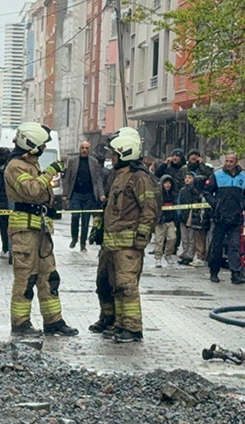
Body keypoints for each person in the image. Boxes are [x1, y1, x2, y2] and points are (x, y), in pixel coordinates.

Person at [5, 122, 79, 337]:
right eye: (41, 145)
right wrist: (50, 172)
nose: (44, 149)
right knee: (26, 278)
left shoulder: (30, 163)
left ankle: (54, 322)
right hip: (24, 232)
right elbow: (31, 190)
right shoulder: (15, 166)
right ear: (31, 145)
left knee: (49, 276)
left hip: (39, 229)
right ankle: (20, 324)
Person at [87, 129, 159, 342]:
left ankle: (132, 328)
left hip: (128, 245)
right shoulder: (118, 177)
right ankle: (116, 322)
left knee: (126, 287)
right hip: (111, 244)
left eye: (115, 155)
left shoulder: (139, 178)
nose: (112, 158)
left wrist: (141, 238)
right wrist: (98, 229)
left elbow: (149, 209)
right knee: (107, 284)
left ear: (125, 154)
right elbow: (108, 207)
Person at [204, 153, 245, 284]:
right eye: (226, 161)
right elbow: (207, 191)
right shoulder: (217, 175)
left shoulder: (244, 177)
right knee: (217, 246)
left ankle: (235, 274)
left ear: (236, 162)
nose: (228, 163)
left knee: (234, 247)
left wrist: (241, 206)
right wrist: (215, 204)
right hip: (220, 217)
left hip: (235, 218)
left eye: (231, 161)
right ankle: (214, 272)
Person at [62, 140, 107, 251]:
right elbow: (67, 178)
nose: (84, 150)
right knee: (75, 216)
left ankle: (83, 243)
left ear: (89, 150)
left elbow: (97, 179)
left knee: (86, 220)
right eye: (83, 148)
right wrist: (65, 194)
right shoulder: (73, 161)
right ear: (79, 149)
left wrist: (101, 194)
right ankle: (74, 238)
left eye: (87, 148)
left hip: (89, 195)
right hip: (76, 194)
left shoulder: (94, 162)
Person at [178, 171, 208, 265]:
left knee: (193, 238)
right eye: (186, 177)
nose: (187, 179)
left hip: (195, 218)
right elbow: (179, 202)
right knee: (185, 238)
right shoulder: (183, 191)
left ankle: (191, 255)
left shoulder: (199, 193)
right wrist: (179, 214)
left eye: (190, 177)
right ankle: (185, 253)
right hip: (185, 217)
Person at [150, 175, 178, 268]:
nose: (168, 185)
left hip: (170, 220)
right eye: (166, 183)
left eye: (169, 183)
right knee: (159, 240)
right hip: (160, 221)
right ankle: (158, 258)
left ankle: (168, 254)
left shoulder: (173, 194)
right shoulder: (158, 195)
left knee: (172, 238)